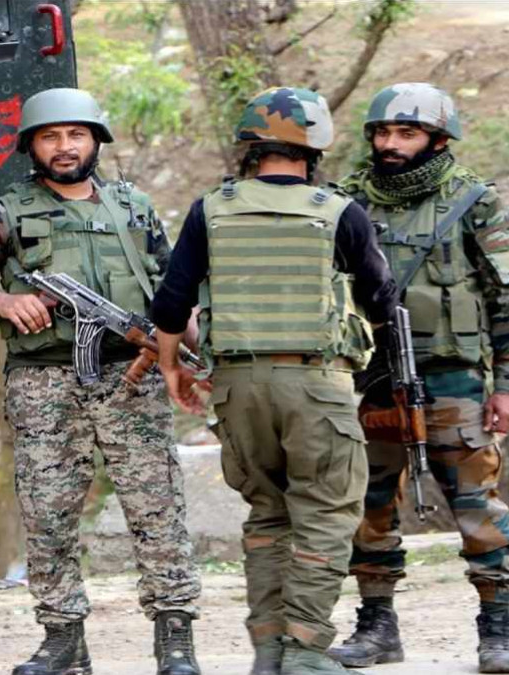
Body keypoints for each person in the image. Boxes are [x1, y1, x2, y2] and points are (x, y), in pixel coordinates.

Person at [0, 88, 202, 675]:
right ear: (31, 146)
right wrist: (2, 302)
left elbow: (175, 291)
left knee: (157, 508)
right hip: (42, 382)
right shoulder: (3, 215)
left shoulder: (134, 208)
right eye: (50, 137)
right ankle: (63, 640)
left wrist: (194, 351)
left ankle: (175, 639)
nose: (64, 147)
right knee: (48, 514)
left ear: (95, 141)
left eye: (76, 135)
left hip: (131, 375)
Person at [153, 87, 398, 675]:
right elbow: (382, 301)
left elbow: (171, 303)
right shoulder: (340, 212)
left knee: (267, 515)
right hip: (315, 383)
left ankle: (268, 652)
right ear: (314, 147)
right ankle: (305, 652)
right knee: (326, 514)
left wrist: (170, 367)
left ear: (251, 147)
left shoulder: (211, 209)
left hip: (237, 387)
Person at [327, 83, 509, 674]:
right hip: (369, 379)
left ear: (439, 139)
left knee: (476, 505)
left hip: (452, 380)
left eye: (407, 133)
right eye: (382, 133)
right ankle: (377, 627)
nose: (390, 144)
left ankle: (498, 630)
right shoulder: (345, 202)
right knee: (366, 504)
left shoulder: (473, 201)